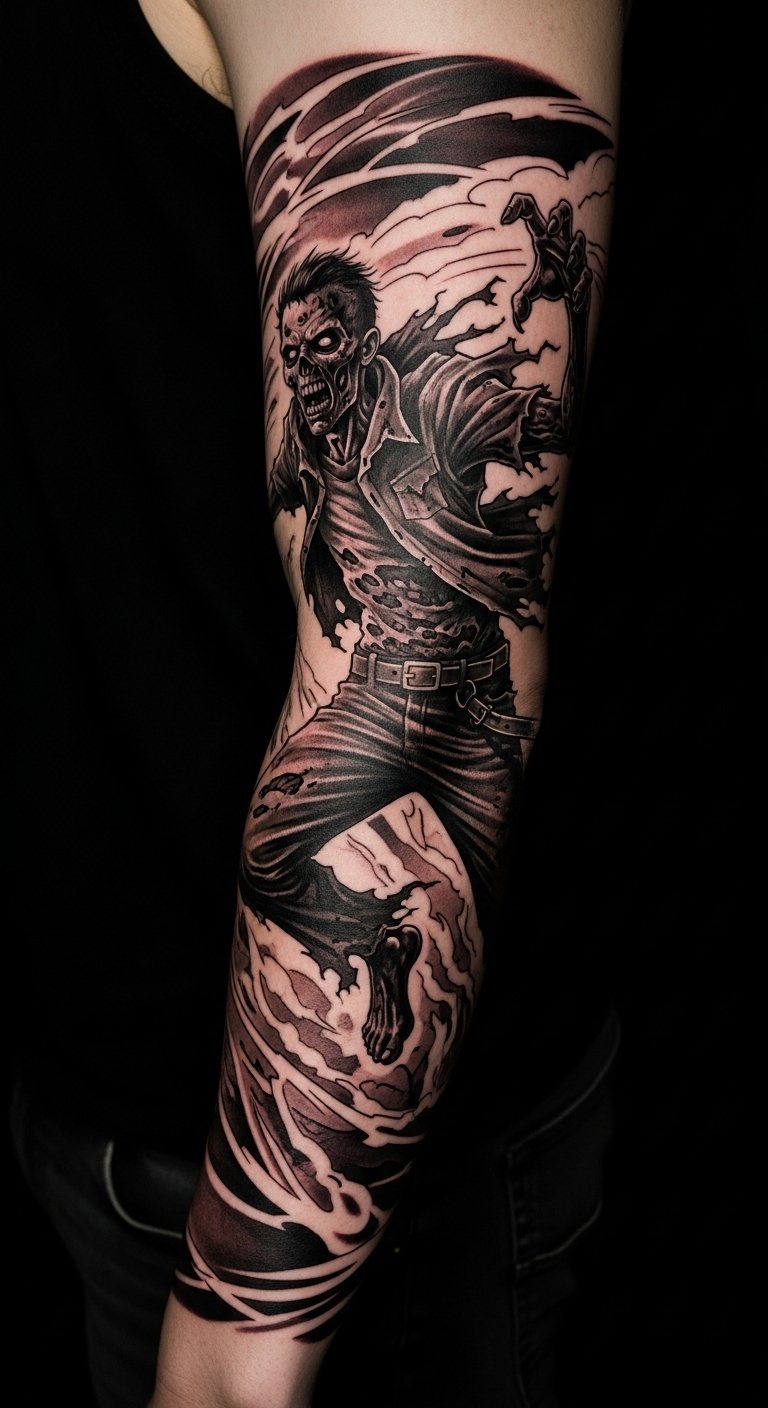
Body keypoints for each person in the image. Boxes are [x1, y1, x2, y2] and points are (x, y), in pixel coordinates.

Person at [4, 2, 628, 1406]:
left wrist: (239, 1336)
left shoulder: (428, 387)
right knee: (305, 852)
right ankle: (383, 950)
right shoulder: (337, 407)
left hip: (322, 1214)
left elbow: (437, 666)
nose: (326, 361)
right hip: (99, 1073)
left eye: (336, 340)